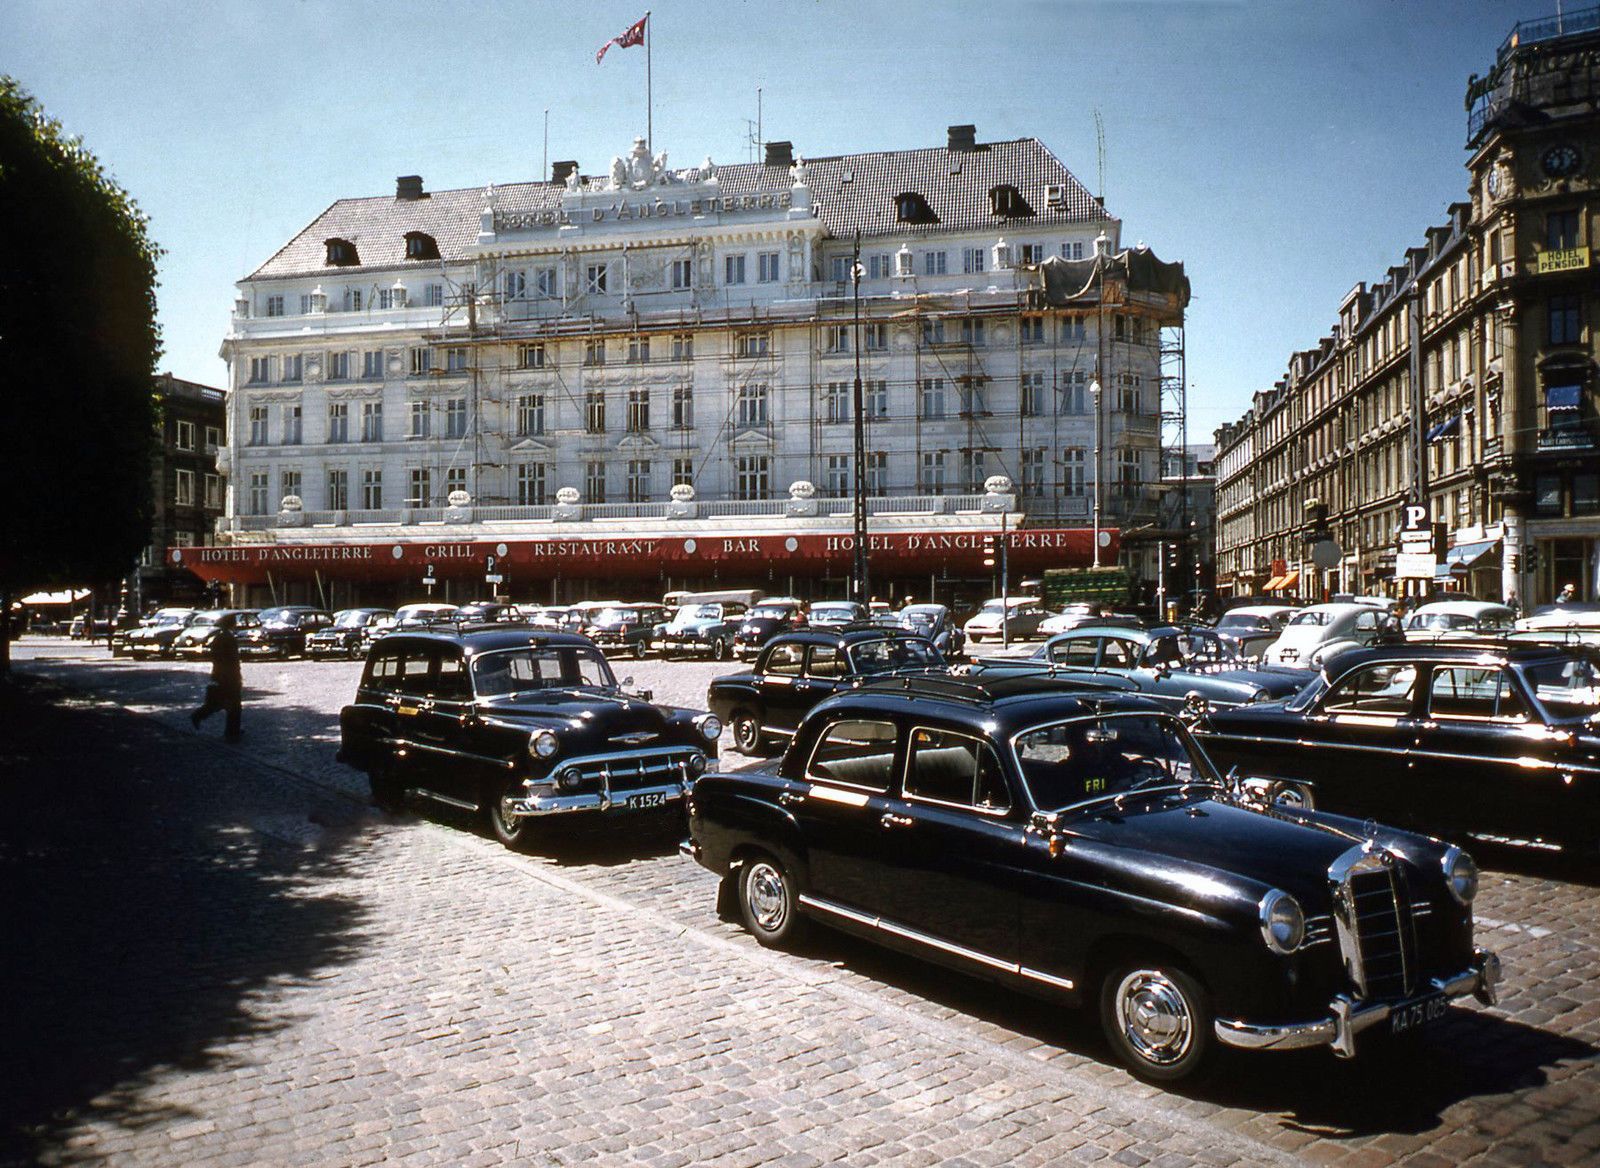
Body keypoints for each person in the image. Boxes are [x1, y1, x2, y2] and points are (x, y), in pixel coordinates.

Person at [190, 614, 243, 740]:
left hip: (220, 674)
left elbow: (215, 655)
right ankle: (232, 732)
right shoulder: (229, 638)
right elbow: (233, 659)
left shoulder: (219, 637)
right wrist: (236, 675)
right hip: (228, 676)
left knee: (218, 702)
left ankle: (199, 716)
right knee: (233, 704)